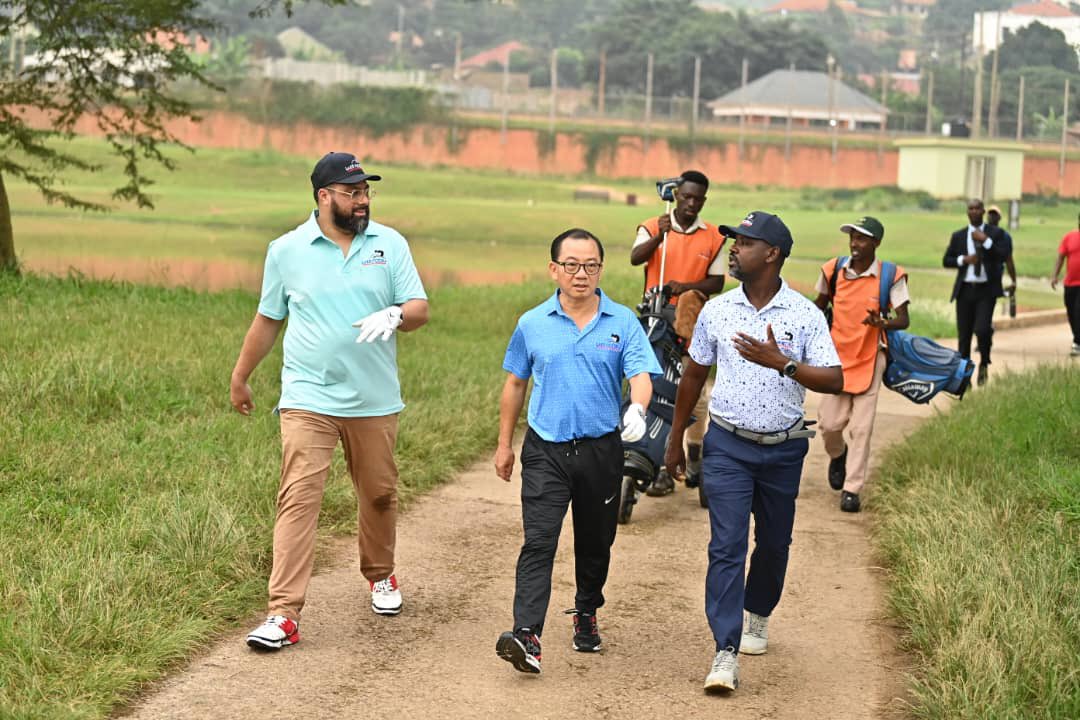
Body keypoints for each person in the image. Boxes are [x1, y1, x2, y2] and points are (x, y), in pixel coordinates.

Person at [231, 151, 429, 651]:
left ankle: (380, 574)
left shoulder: (390, 243)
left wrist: (396, 316)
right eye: (351, 192)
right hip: (308, 395)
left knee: (379, 494)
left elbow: (419, 307)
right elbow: (268, 318)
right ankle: (283, 613)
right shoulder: (286, 250)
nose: (362, 201)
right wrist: (241, 375)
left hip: (374, 399)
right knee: (298, 499)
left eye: (365, 192)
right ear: (323, 196)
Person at [664, 211, 843, 693]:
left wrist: (782, 363)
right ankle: (725, 650)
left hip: (783, 450)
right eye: (733, 241)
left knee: (774, 544)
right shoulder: (717, 310)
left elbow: (833, 378)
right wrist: (676, 436)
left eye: (743, 242)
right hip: (726, 444)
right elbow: (694, 374)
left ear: (773, 253)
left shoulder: (805, 315)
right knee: (726, 545)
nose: (733, 249)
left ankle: (758, 613)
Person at [494, 228, 661, 674]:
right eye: (571, 265)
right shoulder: (532, 323)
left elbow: (642, 373)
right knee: (539, 541)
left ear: (601, 269)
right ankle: (526, 634)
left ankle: (586, 610)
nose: (581, 274)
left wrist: (639, 408)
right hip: (546, 449)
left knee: (594, 542)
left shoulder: (622, 322)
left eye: (590, 265)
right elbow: (515, 383)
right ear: (554, 269)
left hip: (601, 451)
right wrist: (504, 444)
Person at [630, 170, 726, 496]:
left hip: (692, 318)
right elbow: (635, 258)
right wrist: (660, 235)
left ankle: (694, 453)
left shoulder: (714, 237)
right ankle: (658, 465)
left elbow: (717, 283)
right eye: (686, 197)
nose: (691, 204)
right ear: (676, 195)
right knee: (653, 386)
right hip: (655, 316)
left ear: (703, 200)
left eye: (697, 199)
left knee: (692, 393)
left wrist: (687, 286)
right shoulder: (654, 226)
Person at [813, 217, 910, 514]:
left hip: (870, 355)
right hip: (836, 356)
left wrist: (883, 322)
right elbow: (818, 306)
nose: (855, 244)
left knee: (861, 428)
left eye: (862, 239)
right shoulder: (833, 270)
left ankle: (852, 489)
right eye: (853, 237)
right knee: (829, 424)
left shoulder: (889, 275)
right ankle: (837, 455)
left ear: (876, 243)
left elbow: (904, 319)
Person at [943, 198, 1011, 386]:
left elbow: (1003, 255)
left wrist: (986, 241)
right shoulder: (959, 235)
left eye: (977, 208)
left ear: (983, 211)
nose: (973, 211)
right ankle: (965, 376)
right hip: (965, 290)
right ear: (967, 212)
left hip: (986, 291)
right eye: (970, 208)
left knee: (982, 329)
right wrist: (963, 260)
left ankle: (984, 363)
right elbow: (946, 260)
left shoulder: (995, 233)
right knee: (964, 335)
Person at [1051, 212, 1080, 356]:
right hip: (1070, 283)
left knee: (1078, 310)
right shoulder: (1069, 237)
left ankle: (1077, 342)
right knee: (1071, 312)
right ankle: (1078, 338)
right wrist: (1054, 276)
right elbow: (1060, 257)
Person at [986, 205, 1017, 294]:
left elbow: (1009, 260)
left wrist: (1013, 281)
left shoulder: (1005, 236)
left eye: (994, 214)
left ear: (999, 217)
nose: (992, 217)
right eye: (990, 214)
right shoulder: (980, 232)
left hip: (995, 275)